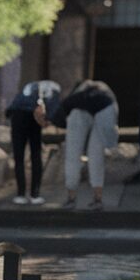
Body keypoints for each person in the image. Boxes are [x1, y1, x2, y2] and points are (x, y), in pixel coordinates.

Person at [37, 79, 119, 211]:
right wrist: (111, 144)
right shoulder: (102, 91)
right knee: (96, 155)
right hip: (104, 107)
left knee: (73, 155)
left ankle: (71, 199)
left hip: (85, 109)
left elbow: (59, 116)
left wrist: (49, 120)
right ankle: (97, 199)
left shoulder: (74, 98)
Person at [5, 80, 61, 205]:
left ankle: (20, 194)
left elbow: (15, 103)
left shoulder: (31, 85)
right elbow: (53, 107)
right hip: (33, 115)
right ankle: (35, 195)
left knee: (18, 156)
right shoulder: (54, 87)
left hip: (17, 114)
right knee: (36, 154)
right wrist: (48, 121)